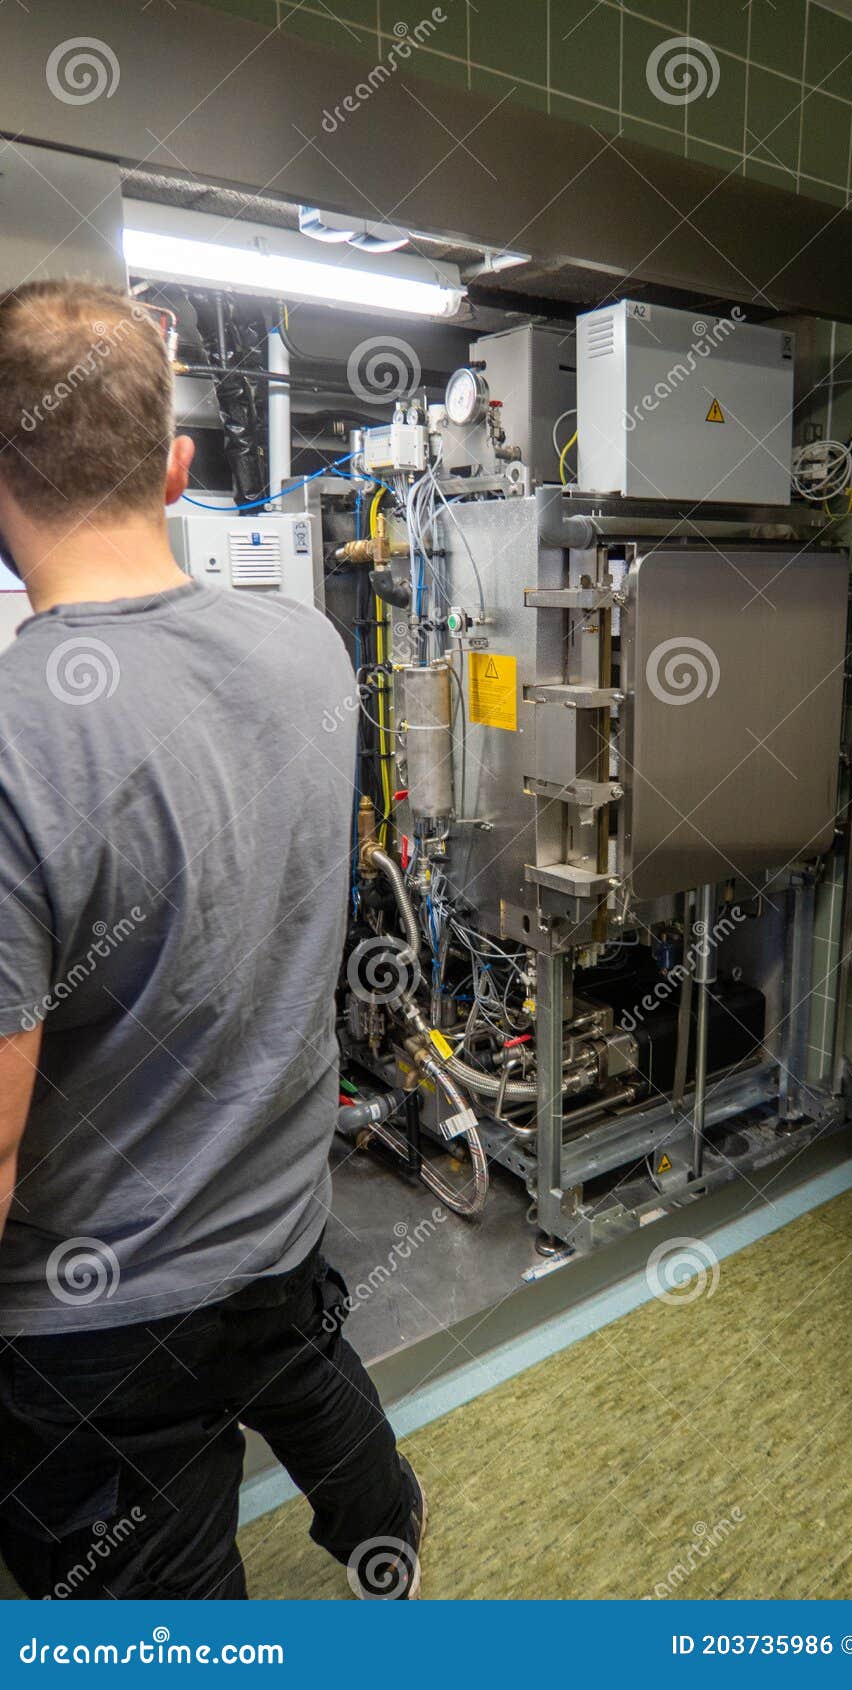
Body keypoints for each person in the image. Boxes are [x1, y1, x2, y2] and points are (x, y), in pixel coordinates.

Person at [0, 280, 424, 1600]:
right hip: (278, 1241)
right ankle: (391, 1542)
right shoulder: (308, 651)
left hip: (95, 1323)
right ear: (177, 468)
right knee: (347, 1452)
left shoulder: (17, 732)